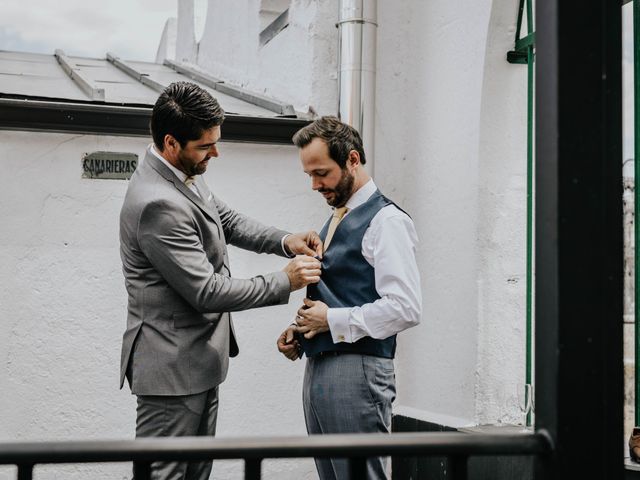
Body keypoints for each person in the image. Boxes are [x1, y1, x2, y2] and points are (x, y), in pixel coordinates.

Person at [119, 81, 322, 480]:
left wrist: (284, 241)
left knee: (195, 474)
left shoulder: (179, 172)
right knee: (165, 476)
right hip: (171, 372)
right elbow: (206, 291)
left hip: (196, 363)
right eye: (205, 146)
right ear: (171, 142)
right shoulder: (156, 202)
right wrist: (285, 280)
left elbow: (224, 219)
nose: (215, 152)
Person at [277, 116, 422, 480]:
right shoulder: (337, 219)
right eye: (309, 175)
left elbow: (405, 307)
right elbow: (340, 292)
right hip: (321, 368)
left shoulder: (386, 221)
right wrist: (303, 330)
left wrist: (331, 321)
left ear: (353, 160)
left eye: (322, 173)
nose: (314, 185)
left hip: (360, 370)